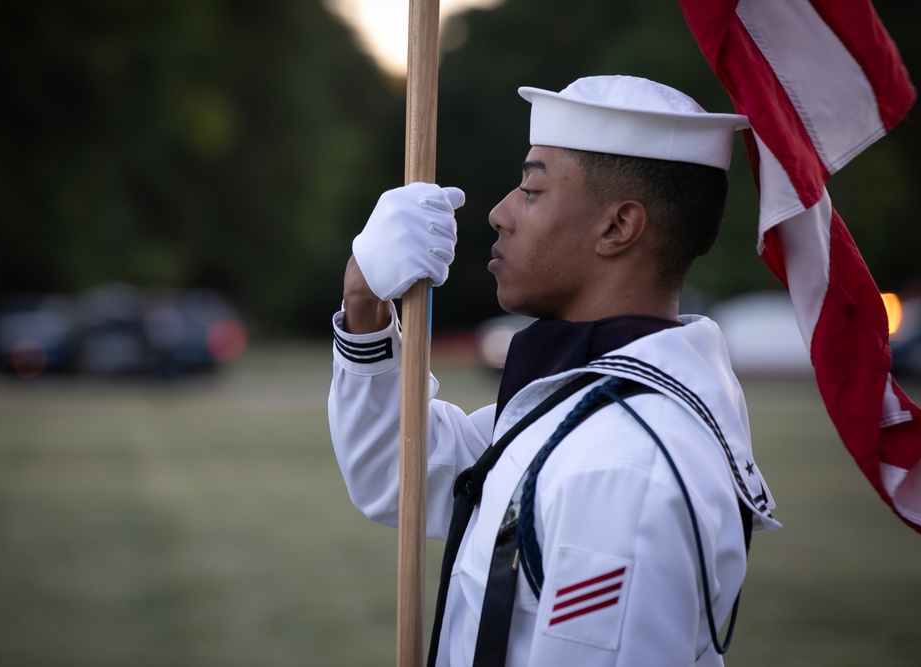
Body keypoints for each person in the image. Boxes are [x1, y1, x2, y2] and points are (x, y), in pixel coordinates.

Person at [327, 75, 780, 667]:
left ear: (618, 227)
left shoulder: (620, 465)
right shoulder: (592, 408)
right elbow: (399, 473)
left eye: (531, 190)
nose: (499, 214)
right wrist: (365, 303)